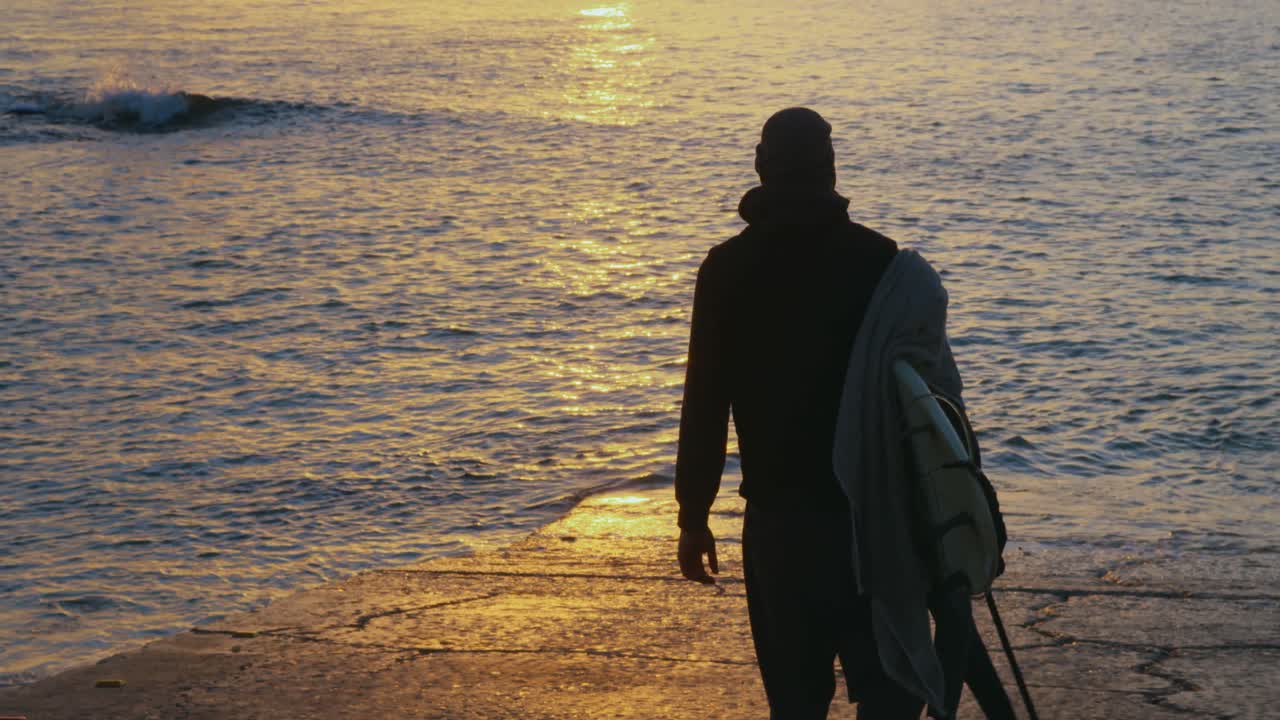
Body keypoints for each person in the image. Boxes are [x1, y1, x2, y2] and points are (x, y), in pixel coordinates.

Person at [674, 108, 1012, 719]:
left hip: (782, 529)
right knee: (889, 695)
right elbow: (932, 402)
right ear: (832, 170)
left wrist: (693, 516)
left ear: (760, 166)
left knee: (796, 703)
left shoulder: (727, 268)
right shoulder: (884, 266)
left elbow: (705, 402)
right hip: (876, 523)